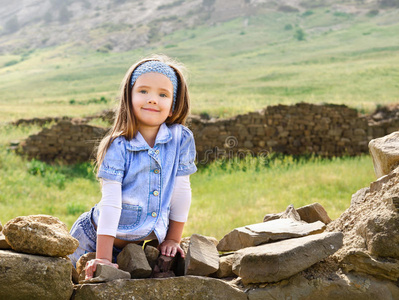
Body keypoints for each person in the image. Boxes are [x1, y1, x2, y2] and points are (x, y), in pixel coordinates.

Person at [68, 55, 197, 280]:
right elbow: (111, 203)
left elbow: (181, 190)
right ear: (129, 96)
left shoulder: (181, 139)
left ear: (174, 103)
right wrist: (104, 259)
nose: (152, 99)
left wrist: (173, 239)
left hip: (137, 248)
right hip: (95, 239)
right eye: (143, 91)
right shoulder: (117, 145)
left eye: (163, 94)